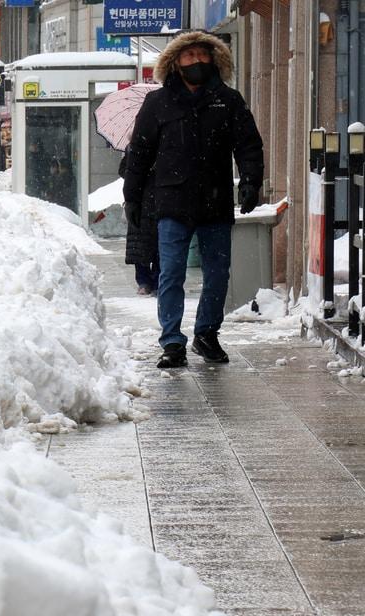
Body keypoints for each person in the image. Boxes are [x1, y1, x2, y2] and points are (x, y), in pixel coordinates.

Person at [123, 30, 264, 368]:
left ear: (214, 60)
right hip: (171, 202)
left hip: (215, 201)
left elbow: (249, 145)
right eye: (189, 57)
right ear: (176, 63)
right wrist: (133, 198)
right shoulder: (157, 103)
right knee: (171, 272)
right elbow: (139, 152)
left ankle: (207, 333)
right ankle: (172, 341)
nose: (197, 61)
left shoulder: (228, 100)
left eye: (203, 55)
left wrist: (250, 182)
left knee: (218, 273)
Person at [118, 155, 158, 296]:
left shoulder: (163, 145)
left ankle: (154, 281)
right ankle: (145, 282)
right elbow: (123, 171)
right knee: (140, 247)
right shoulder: (135, 148)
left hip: (154, 203)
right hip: (140, 205)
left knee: (157, 247)